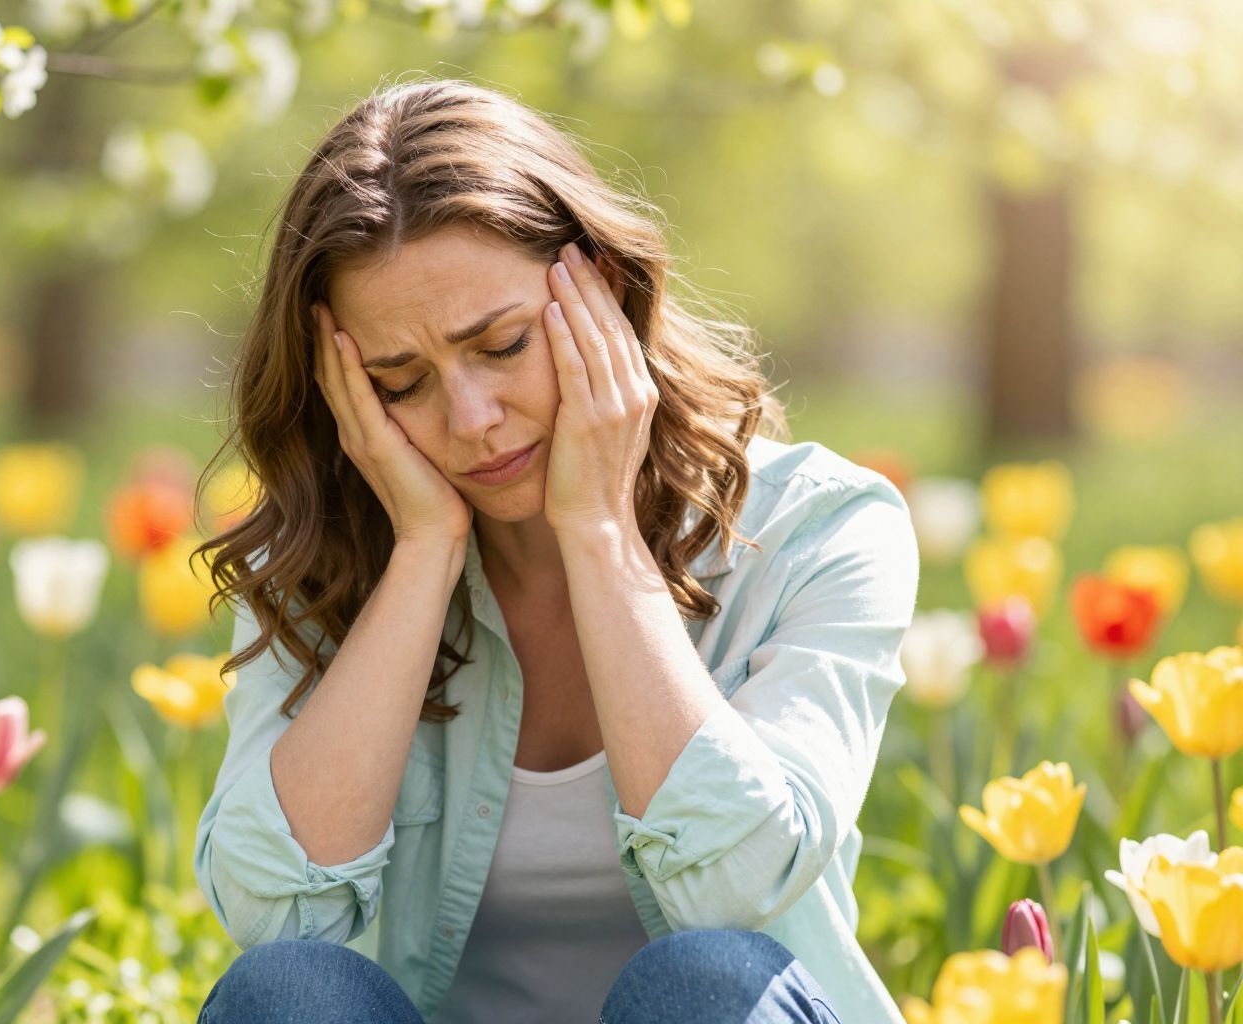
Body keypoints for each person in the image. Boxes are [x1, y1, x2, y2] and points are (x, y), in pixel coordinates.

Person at [191, 75, 920, 1024]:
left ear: (604, 293)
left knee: (700, 982)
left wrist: (602, 533)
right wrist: (421, 551)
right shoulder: (328, 559)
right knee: (285, 993)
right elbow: (275, 918)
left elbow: (736, 886)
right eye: (401, 382)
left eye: (500, 346)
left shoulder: (818, 528)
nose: (472, 420)